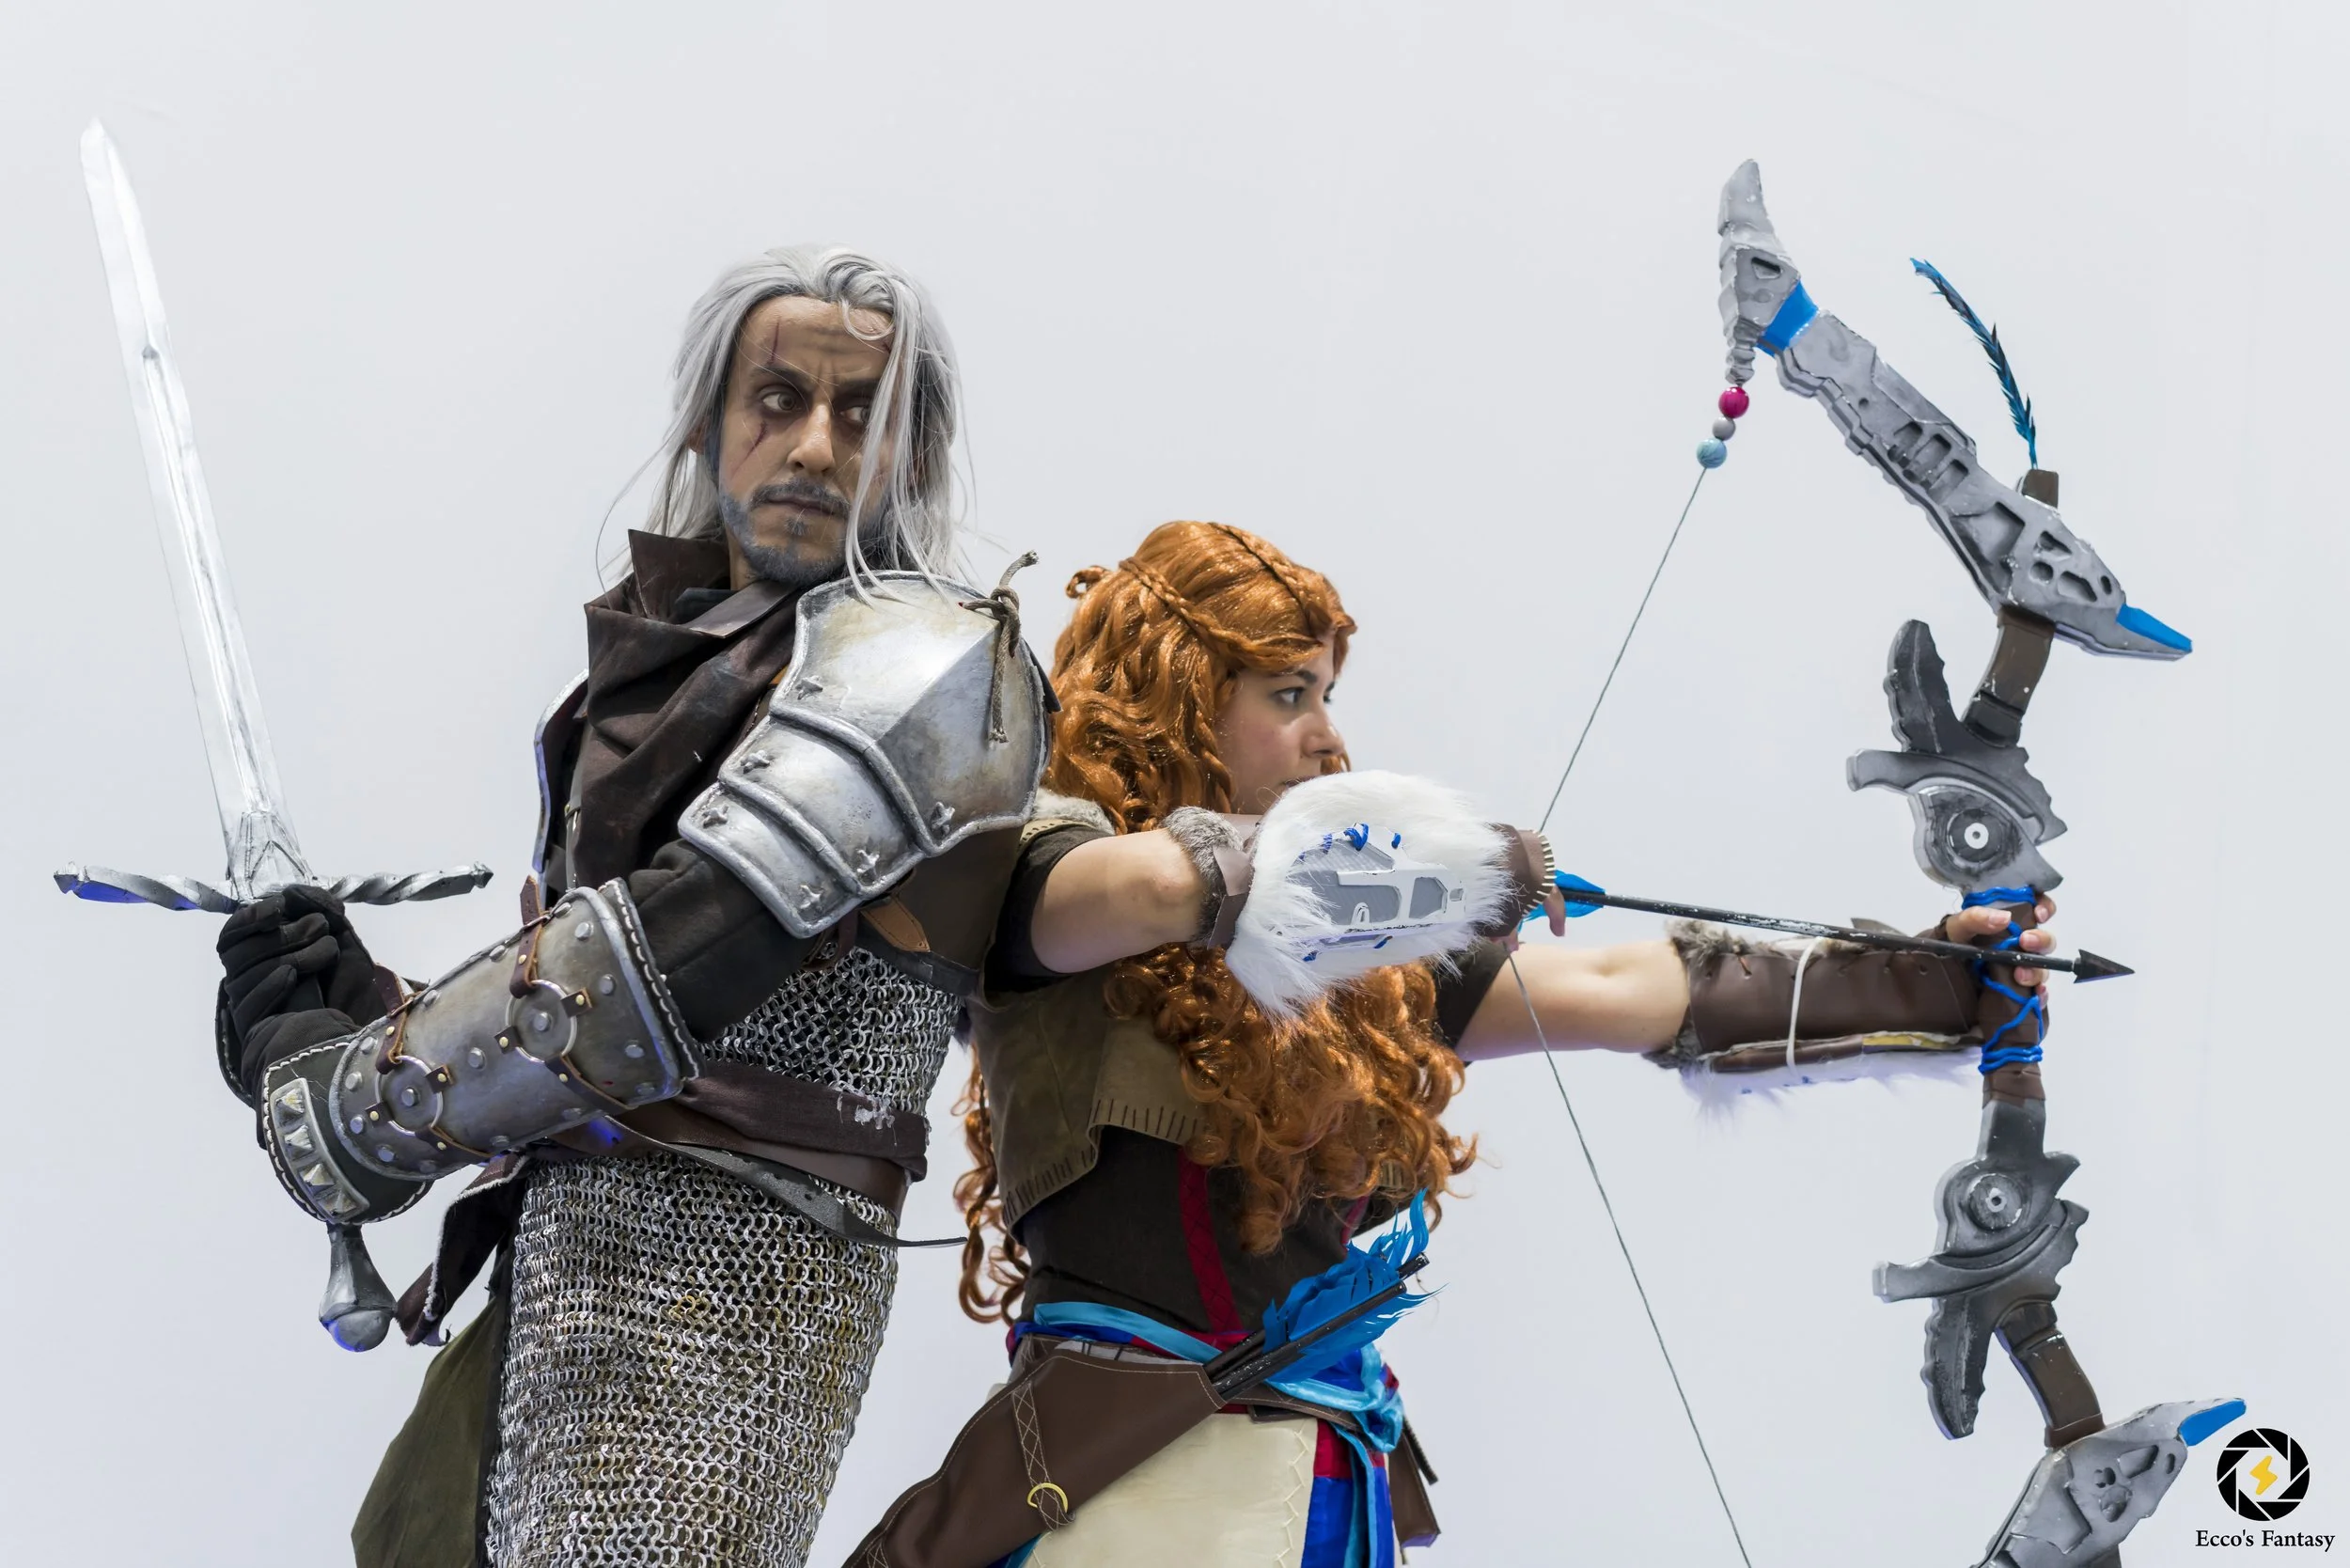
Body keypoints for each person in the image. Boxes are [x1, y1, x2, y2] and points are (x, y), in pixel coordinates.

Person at [845, 520, 2055, 1568]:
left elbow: (1624, 985)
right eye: (1287, 695)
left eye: (1325, 695)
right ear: (1179, 691)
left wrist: (1938, 978)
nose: (1327, 738)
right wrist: (1439, 872)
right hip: (1131, 1486)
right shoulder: (1051, 871)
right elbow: (1160, 885)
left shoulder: (1360, 971)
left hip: (1325, 1476)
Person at [212, 246, 1058, 1568]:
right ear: (710, 424)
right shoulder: (656, 675)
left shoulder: (933, 670)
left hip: (726, 1318)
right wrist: (353, 1010)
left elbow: (664, 965)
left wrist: (343, 1105)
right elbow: (558, 1000)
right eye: (777, 398)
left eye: (860, 414)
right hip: (556, 1279)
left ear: (913, 457)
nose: (814, 445)